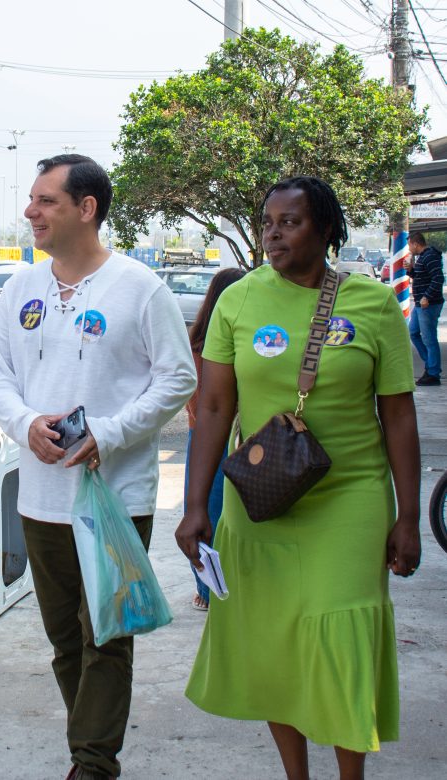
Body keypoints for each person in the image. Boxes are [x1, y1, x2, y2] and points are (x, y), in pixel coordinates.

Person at [176, 176, 420, 780]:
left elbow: (398, 414)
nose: (274, 234)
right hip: (262, 501)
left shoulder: (373, 303)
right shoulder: (240, 299)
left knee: (343, 637)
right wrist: (194, 505)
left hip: (352, 497)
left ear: (328, 229)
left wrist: (409, 515)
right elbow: (212, 409)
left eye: (291, 222)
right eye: (268, 222)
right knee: (276, 640)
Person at [0, 154, 195, 780]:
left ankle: (92, 763)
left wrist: (109, 432)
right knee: (65, 639)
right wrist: (25, 424)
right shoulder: (20, 288)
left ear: (86, 208)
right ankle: (91, 747)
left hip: (115, 496)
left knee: (107, 634)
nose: (31, 212)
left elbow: (177, 378)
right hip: (41, 496)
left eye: (46, 201)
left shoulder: (140, 288)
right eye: (31, 199)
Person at [183, 268, 245, 611]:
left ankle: (206, 591)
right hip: (230, 439)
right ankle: (215, 590)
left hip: (200, 440)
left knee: (204, 513)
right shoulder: (229, 342)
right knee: (219, 515)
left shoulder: (196, 342)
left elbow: (194, 402)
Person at [405, 231, 443, 386]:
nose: (409, 248)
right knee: (413, 332)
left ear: (415, 243)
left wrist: (426, 296)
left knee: (429, 338)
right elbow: (422, 277)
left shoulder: (430, 256)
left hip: (429, 304)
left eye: (409, 245)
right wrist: (410, 270)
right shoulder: (422, 258)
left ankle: (433, 373)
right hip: (421, 304)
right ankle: (430, 364)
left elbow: (438, 278)